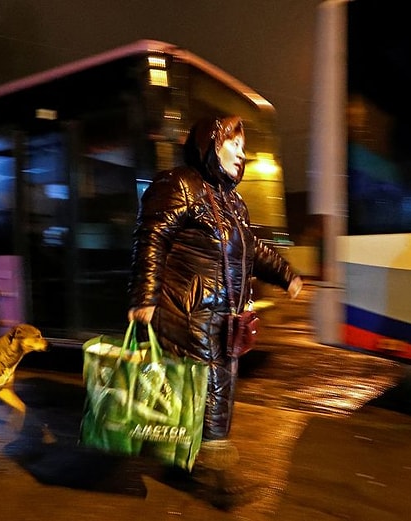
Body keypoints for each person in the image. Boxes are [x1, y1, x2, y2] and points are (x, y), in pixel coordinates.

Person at [128, 115, 303, 504]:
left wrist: (286, 274)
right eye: (234, 144)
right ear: (211, 143)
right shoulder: (180, 185)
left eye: (243, 147)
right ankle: (218, 478)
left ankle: (184, 460)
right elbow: (151, 239)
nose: (242, 154)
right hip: (188, 311)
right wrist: (143, 296)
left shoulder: (230, 199)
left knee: (207, 387)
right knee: (212, 388)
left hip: (224, 315)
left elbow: (252, 248)